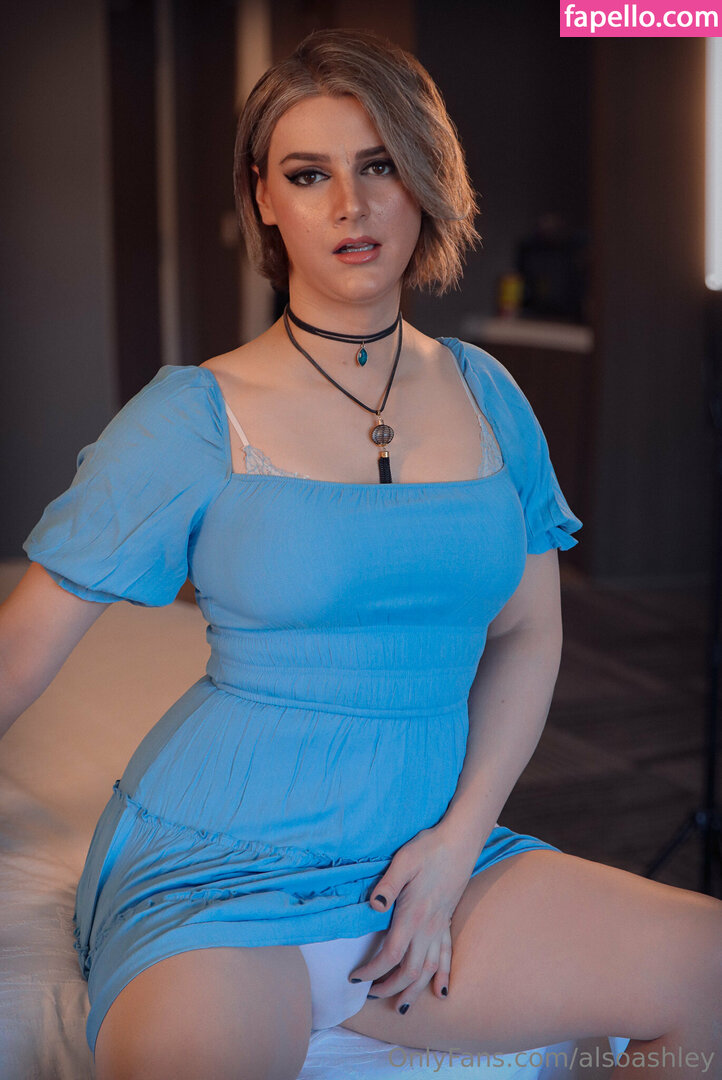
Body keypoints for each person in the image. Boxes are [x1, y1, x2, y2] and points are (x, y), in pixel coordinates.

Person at [1, 25, 720, 1080]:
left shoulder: (488, 397)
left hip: (425, 853)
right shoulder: (191, 416)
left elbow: (528, 634)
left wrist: (457, 843)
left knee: (707, 972)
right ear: (263, 198)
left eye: (379, 165)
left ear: (425, 178)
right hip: (216, 874)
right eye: (308, 174)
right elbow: (19, 650)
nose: (350, 205)